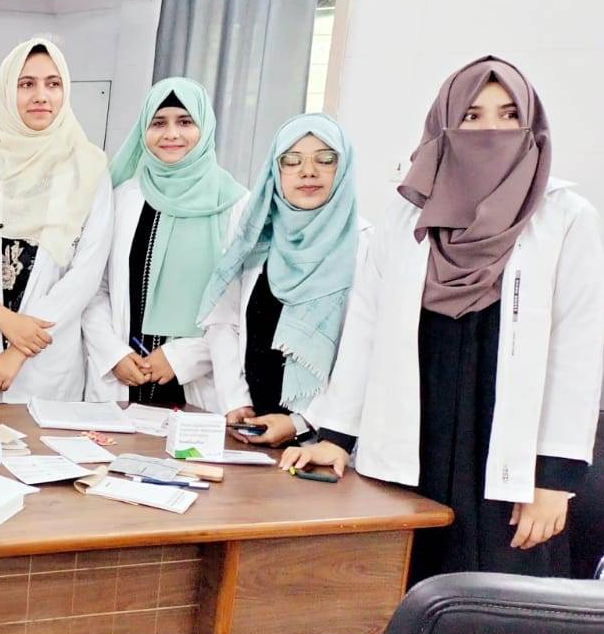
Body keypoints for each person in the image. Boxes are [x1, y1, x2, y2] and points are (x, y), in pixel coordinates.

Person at [282, 57, 604, 583]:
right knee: (403, 588)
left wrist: (553, 479)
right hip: (416, 439)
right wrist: (336, 437)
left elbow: (579, 349)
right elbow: (366, 327)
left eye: (507, 115)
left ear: (531, 126)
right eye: (472, 115)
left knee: (501, 600)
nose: (490, 130)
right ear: (446, 122)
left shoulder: (565, 216)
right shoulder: (409, 213)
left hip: (507, 456)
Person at [0, 38, 112, 403]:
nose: (41, 96)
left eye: (53, 83)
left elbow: (85, 275)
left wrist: (18, 350)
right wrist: (0, 317)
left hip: (44, 374)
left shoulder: (89, 169)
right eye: (26, 84)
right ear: (5, 90)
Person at [198, 114, 368, 447]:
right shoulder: (256, 238)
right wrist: (236, 401)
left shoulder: (363, 246)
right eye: (291, 161)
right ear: (275, 171)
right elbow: (224, 321)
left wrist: (300, 422)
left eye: (325, 159)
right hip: (247, 430)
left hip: (319, 442)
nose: (308, 171)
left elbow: (359, 355)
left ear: (344, 168)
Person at [80, 78, 247, 410]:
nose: (171, 133)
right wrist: (113, 353)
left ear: (205, 127)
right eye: (158, 123)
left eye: (185, 122)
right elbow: (93, 287)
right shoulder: (123, 198)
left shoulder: (236, 206)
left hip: (197, 387)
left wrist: (180, 358)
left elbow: (239, 310)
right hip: (123, 380)